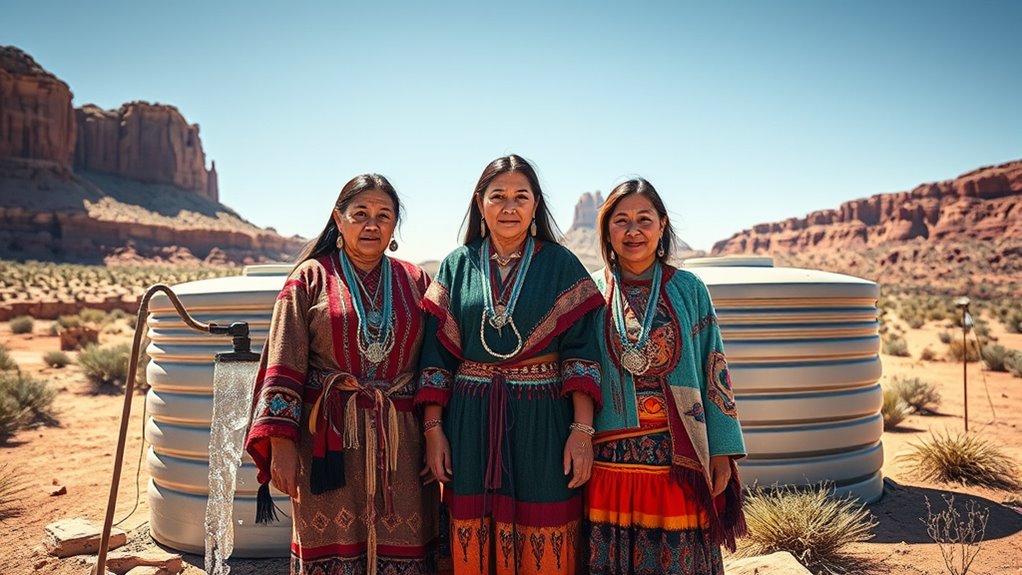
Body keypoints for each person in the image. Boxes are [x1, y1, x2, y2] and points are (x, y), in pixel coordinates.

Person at [416, 154, 604, 575]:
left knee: (547, 523)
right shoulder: (457, 264)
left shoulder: (560, 264)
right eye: (498, 196)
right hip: (470, 420)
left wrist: (582, 431)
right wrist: (433, 431)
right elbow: (437, 359)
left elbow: (582, 355)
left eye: (521, 196)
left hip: (545, 420)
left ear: (536, 205)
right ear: (479, 202)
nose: (509, 206)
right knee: (472, 529)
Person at [245, 174, 440, 575]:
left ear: (394, 225)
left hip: (402, 441)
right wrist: (280, 444)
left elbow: (435, 364)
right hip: (327, 439)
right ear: (339, 218)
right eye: (361, 214)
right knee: (329, 543)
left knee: (406, 542)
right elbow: (284, 361)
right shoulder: (309, 278)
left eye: (384, 216)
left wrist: (436, 432)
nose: (372, 224)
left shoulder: (416, 280)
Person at [584, 178, 747, 575]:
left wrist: (723, 448)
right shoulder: (590, 291)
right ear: (607, 230)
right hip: (610, 464)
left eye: (644, 219)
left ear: (662, 225)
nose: (633, 230)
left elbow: (715, 367)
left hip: (679, 459)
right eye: (621, 221)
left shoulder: (689, 288)